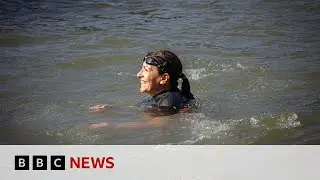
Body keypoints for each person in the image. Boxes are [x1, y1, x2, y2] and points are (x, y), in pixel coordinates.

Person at [89, 50, 195, 130]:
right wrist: (113, 108)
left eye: (146, 70)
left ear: (163, 78)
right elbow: (146, 107)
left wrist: (115, 126)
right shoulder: (166, 96)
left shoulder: (169, 100)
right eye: (141, 69)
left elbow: (159, 123)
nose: (139, 75)